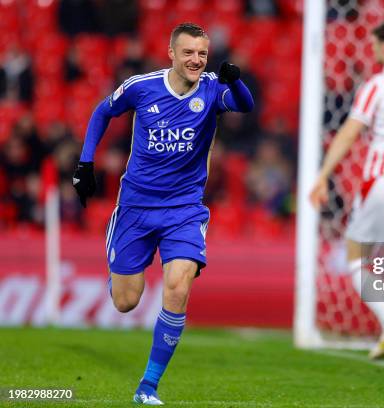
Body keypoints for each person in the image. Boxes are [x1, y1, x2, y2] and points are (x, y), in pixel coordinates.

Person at [72, 22, 253, 404]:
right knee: (126, 301)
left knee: (178, 285)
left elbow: (246, 104)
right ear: (171, 53)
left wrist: (235, 81)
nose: (196, 60)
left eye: (202, 54)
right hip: (136, 207)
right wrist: (85, 163)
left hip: (184, 209)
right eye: (188, 52)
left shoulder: (212, 89)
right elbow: (101, 113)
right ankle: (119, 273)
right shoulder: (142, 86)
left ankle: (148, 386)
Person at [310, 21, 384, 360]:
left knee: (355, 255)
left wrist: (323, 173)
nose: (372, 50)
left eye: (374, 45)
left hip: (383, 179)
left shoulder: (379, 83)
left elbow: (349, 132)